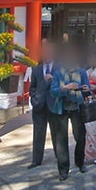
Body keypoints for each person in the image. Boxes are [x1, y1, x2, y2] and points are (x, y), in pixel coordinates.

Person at [48, 43, 92, 180]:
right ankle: (63, 170)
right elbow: (53, 91)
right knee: (61, 140)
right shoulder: (58, 73)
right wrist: (65, 87)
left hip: (77, 108)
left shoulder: (82, 72)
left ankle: (80, 162)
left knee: (80, 137)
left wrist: (86, 89)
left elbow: (88, 89)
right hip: (62, 108)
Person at [29, 39, 55, 169]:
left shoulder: (59, 68)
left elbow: (64, 84)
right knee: (38, 133)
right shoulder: (37, 70)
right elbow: (32, 87)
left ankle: (59, 157)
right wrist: (34, 98)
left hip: (54, 105)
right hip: (39, 106)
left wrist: (53, 79)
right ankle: (36, 160)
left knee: (57, 133)